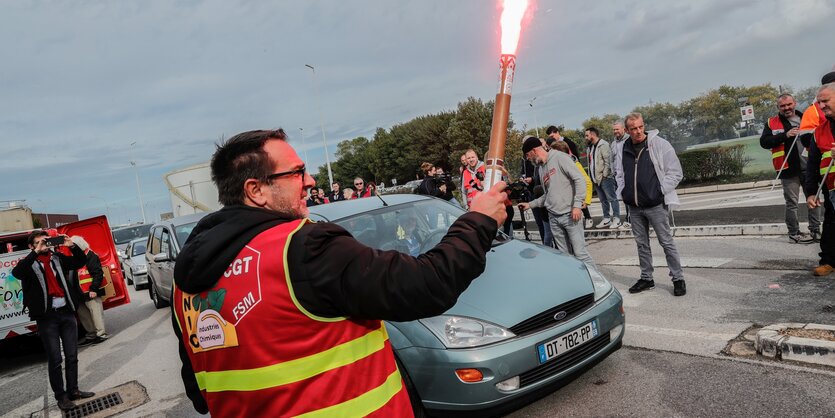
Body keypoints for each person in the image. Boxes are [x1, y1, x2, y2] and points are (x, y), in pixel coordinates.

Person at [170, 128, 508, 417]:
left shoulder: (185, 284)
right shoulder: (302, 248)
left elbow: (201, 394)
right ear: (255, 190)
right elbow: (427, 284)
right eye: (296, 173)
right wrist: (478, 221)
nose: (310, 181)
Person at [12, 231, 95, 411]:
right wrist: (36, 252)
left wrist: (71, 246)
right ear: (31, 246)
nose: (43, 245)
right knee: (55, 359)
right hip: (47, 318)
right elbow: (17, 273)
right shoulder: (28, 264)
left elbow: (80, 262)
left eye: (45, 241)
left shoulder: (57, 258)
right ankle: (61, 397)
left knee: (72, 356)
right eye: (39, 242)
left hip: (66, 313)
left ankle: (73, 390)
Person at [614, 112, 686, 296]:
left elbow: (676, 172)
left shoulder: (659, 144)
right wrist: (624, 192)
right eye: (633, 129)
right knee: (641, 244)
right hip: (634, 206)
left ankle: (678, 278)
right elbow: (620, 173)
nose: (638, 131)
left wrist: (659, 191)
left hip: (655, 204)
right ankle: (646, 278)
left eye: (640, 127)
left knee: (666, 242)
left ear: (644, 125)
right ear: (627, 130)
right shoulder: (623, 148)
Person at [518, 136, 595, 268]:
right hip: (554, 218)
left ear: (534, 150)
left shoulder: (560, 157)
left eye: (527, 155)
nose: (528, 159)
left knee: (580, 253)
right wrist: (530, 205)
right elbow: (548, 195)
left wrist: (577, 205)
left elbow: (580, 180)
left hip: (570, 215)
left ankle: (597, 283)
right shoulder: (541, 168)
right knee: (565, 256)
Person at [761, 93, 821, 243]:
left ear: (795, 103)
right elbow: (764, 142)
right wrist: (785, 135)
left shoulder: (806, 118)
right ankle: (794, 233)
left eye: (789, 104)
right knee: (792, 203)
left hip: (809, 167)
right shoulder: (771, 123)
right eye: (782, 106)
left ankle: (815, 230)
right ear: (778, 107)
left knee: (814, 200)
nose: (786, 108)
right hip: (788, 169)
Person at [805, 78, 835, 276]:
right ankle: (829, 260)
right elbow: (812, 166)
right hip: (831, 189)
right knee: (831, 226)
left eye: (825, 101)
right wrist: (810, 192)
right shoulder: (819, 132)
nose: (821, 106)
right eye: (819, 102)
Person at [71, 236, 109, 345]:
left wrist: (94, 289)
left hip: (91, 291)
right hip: (80, 293)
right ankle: (91, 334)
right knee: (84, 315)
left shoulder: (91, 256)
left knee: (96, 312)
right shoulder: (77, 257)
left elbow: (98, 274)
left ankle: (101, 334)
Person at [551, 140, 594, 229]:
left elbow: (587, 182)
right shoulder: (556, 165)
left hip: (573, 207)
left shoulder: (573, 163)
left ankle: (588, 218)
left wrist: (585, 201)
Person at [585, 127, 621, 229]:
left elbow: (608, 162)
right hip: (596, 179)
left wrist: (605, 175)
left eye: (587, 135)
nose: (585, 137)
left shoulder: (603, 144)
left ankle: (617, 219)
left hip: (605, 178)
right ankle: (606, 219)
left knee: (612, 199)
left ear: (593, 135)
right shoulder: (591, 147)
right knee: (603, 200)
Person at [611, 122, 631, 228]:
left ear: (623, 129)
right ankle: (630, 219)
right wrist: (613, 172)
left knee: (630, 197)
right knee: (625, 197)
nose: (615, 131)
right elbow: (612, 159)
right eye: (614, 130)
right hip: (619, 176)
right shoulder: (613, 143)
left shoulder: (629, 140)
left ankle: (629, 220)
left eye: (617, 129)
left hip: (629, 173)